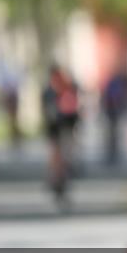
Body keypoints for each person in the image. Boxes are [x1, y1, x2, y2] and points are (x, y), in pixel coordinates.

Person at [42, 64, 79, 209]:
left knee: (65, 160)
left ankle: (61, 185)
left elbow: (74, 112)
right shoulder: (48, 93)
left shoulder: (68, 90)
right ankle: (55, 183)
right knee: (56, 159)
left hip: (67, 131)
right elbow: (47, 114)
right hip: (54, 132)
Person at [101, 71, 127, 166]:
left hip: (113, 112)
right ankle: (112, 154)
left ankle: (113, 153)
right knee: (112, 134)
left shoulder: (115, 83)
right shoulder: (116, 84)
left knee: (113, 134)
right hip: (112, 112)